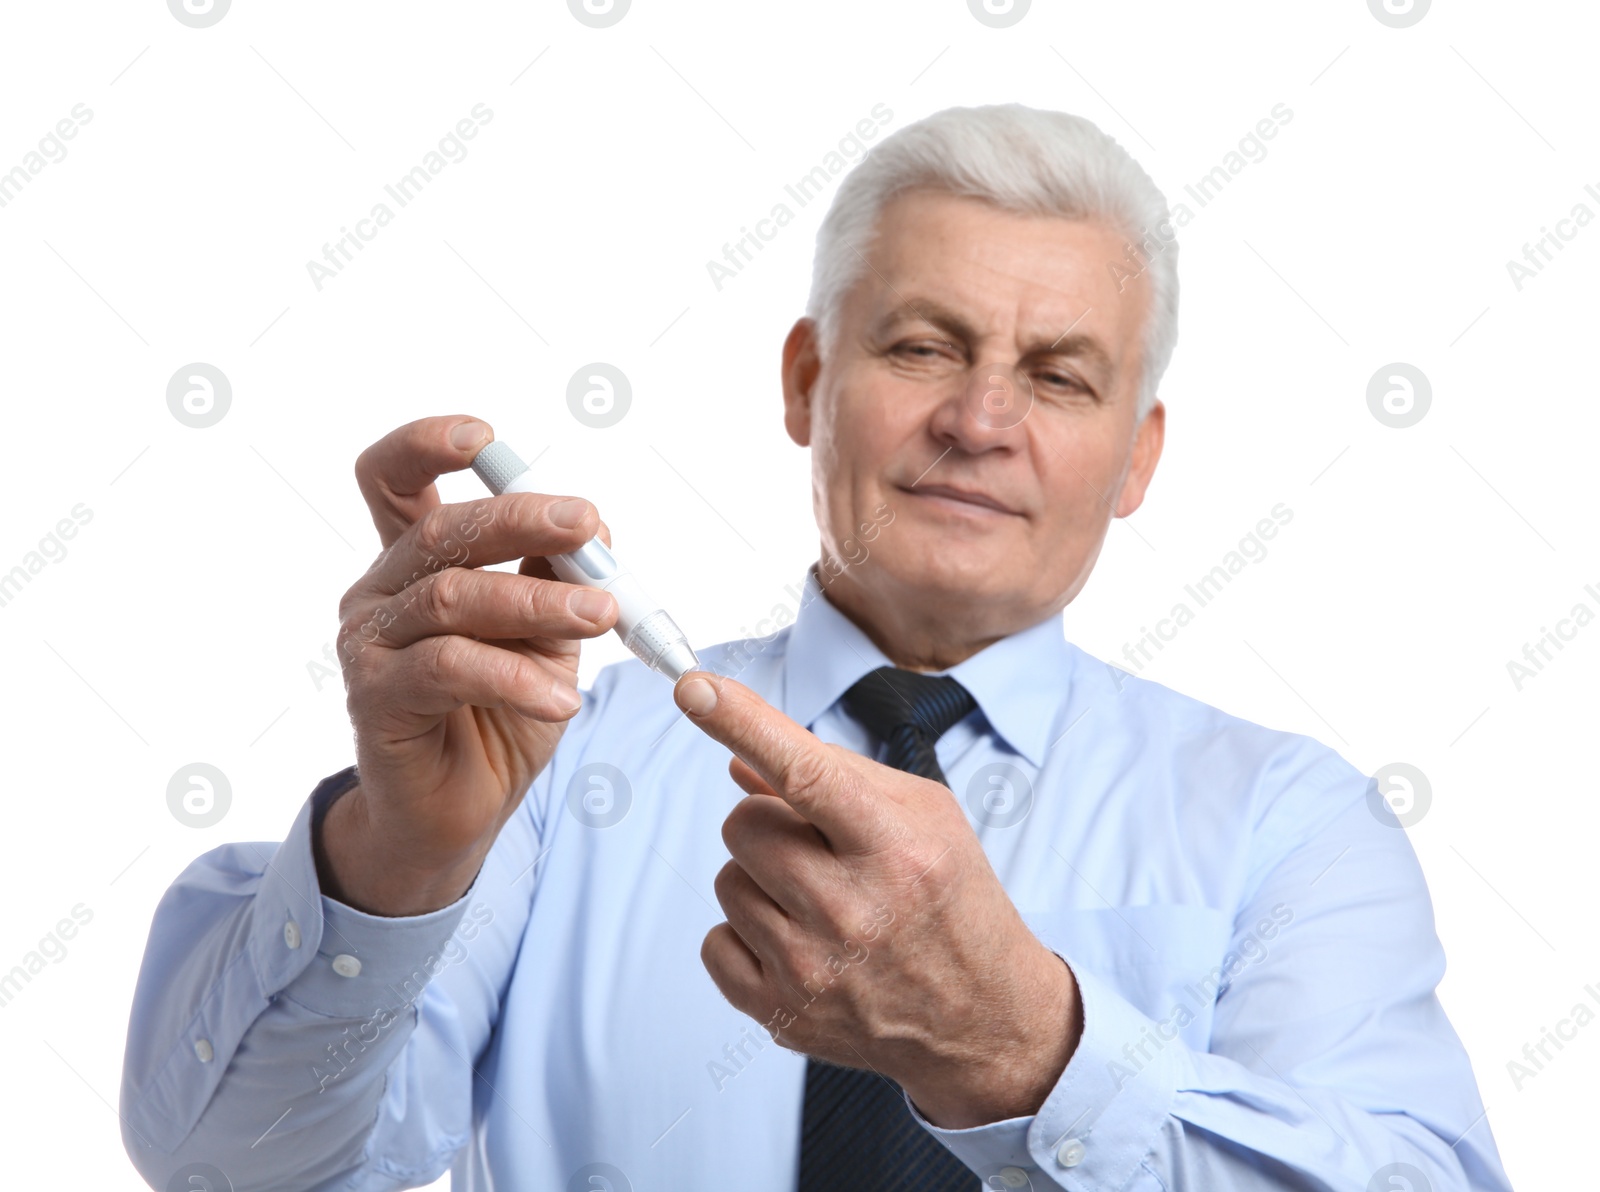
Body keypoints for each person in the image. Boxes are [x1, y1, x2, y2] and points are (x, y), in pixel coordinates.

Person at [121, 104, 1511, 1191]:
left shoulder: (1289, 825)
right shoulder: (553, 765)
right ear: (808, 383)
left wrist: (1030, 1052)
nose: (979, 419)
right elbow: (228, 1167)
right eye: (921, 347)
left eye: (1059, 377)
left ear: (1137, 456)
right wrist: (402, 859)